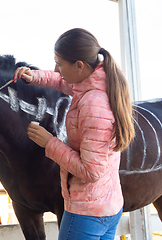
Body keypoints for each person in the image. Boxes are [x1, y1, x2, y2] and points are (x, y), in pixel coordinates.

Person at [13, 28, 135, 240]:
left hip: (86, 214)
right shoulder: (102, 81)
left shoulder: (94, 104)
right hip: (107, 205)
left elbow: (90, 171)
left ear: (79, 66)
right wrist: (34, 76)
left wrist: (49, 142)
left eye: (59, 64)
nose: (56, 69)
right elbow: (63, 81)